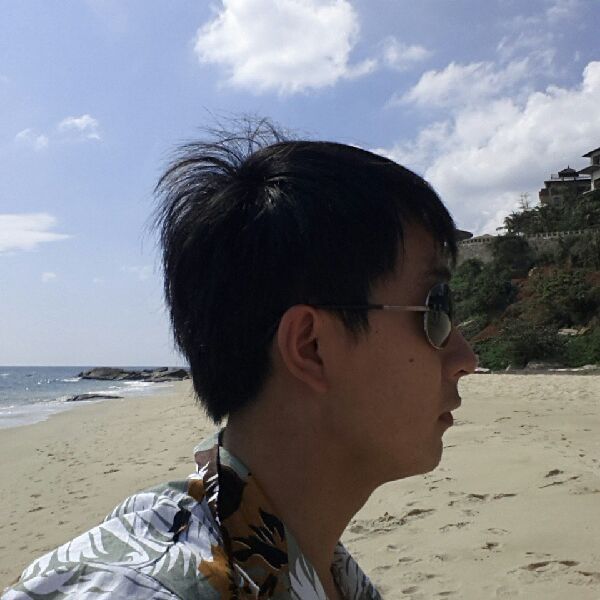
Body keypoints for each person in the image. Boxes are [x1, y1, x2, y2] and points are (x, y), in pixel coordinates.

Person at [3, 120, 477, 599]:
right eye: (437, 308)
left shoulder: (321, 564)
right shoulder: (147, 588)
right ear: (311, 347)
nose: (466, 358)